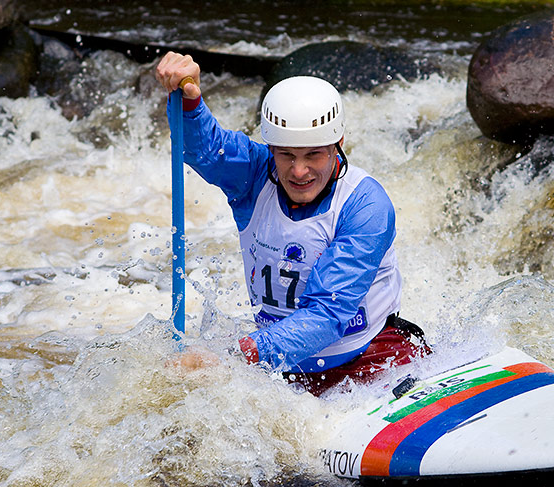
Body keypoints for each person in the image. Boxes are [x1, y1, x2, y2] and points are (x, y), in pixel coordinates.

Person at [155, 52, 429, 395]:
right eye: (286, 155)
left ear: (337, 145)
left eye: (313, 154)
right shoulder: (255, 175)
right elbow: (205, 150)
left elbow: (327, 314)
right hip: (280, 366)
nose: (299, 172)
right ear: (271, 148)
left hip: (372, 358)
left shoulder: (365, 205)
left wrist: (236, 355)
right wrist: (189, 103)